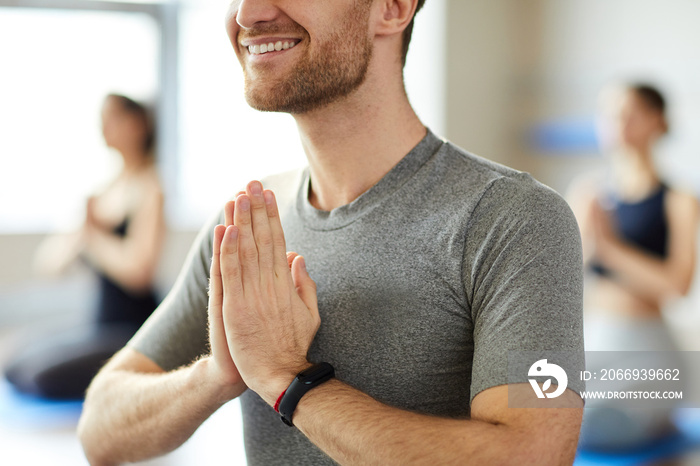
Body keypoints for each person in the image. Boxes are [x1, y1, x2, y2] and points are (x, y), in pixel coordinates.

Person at [78, 1, 585, 464]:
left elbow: (533, 455)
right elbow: (99, 428)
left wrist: (287, 380)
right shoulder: (248, 227)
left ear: (392, 8)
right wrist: (217, 374)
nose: (247, 14)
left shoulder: (515, 219)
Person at [4, 94, 164, 399]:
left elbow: (139, 271)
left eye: (113, 118)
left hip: (135, 330)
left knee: (40, 378)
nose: (104, 127)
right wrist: (82, 233)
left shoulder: (150, 187)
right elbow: (50, 266)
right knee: (14, 366)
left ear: (138, 125)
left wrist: (94, 236)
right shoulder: (104, 191)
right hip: (99, 324)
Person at [568, 83, 699, 449]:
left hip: (648, 348)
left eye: (629, 114)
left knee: (595, 427)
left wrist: (609, 249)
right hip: (593, 341)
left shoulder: (679, 199)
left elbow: (678, 285)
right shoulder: (588, 194)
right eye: (608, 114)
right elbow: (558, 279)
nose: (616, 124)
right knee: (518, 407)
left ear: (657, 121)